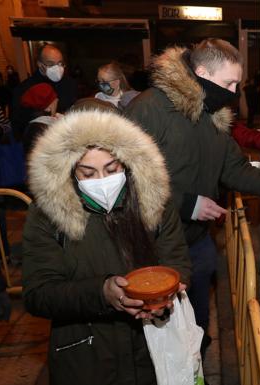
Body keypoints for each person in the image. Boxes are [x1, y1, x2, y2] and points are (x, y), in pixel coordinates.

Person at [124, 38, 260, 355]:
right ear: (202, 71)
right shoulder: (149, 109)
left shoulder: (214, 116)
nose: (233, 92)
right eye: (229, 82)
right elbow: (126, 182)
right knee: (156, 339)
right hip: (152, 246)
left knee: (197, 328)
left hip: (198, 243)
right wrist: (188, 204)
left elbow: (236, 171)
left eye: (237, 84)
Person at [22, 108, 192, 384]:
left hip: (150, 353)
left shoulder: (155, 201)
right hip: (86, 361)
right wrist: (102, 292)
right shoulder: (48, 214)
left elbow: (177, 261)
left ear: (128, 162)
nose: (102, 181)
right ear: (69, 171)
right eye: (87, 173)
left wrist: (163, 295)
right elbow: (38, 293)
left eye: (112, 169)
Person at [10, 44, 78, 137]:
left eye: (60, 63)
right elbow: (18, 125)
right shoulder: (24, 88)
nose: (57, 68)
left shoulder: (70, 83)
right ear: (39, 64)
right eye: (50, 64)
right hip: (38, 141)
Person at [19, 83, 60, 158]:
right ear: (47, 108)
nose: (57, 100)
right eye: (54, 98)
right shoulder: (44, 131)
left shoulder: (35, 125)